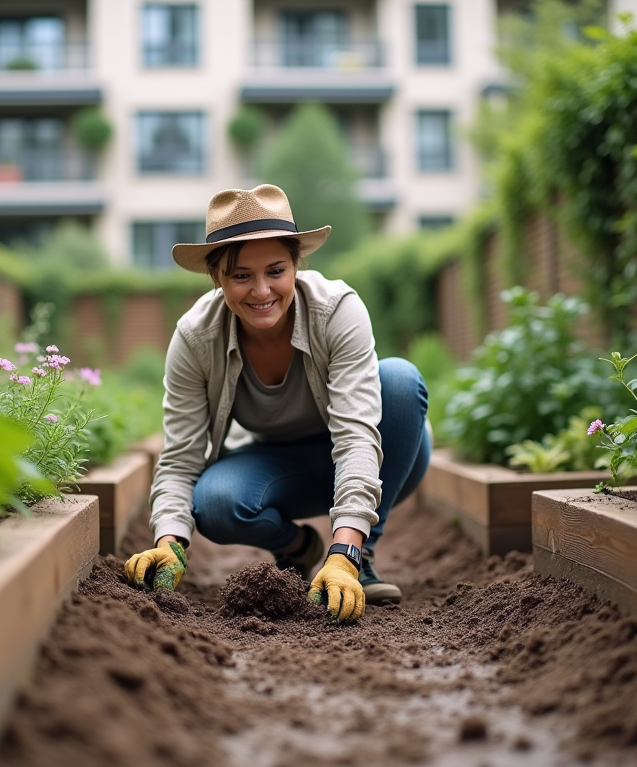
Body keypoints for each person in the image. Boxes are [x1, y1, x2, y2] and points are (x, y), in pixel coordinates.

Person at [124, 184, 430, 623]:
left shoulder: (337, 310)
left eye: (275, 270)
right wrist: (169, 542)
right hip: (284, 468)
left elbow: (358, 434)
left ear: (296, 265)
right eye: (241, 275)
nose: (261, 290)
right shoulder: (195, 337)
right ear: (217, 278)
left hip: (387, 455)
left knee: (399, 379)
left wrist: (343, 550)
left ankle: (357, 561)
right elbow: (179, 457)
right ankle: (299, 548)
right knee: (216, 502)